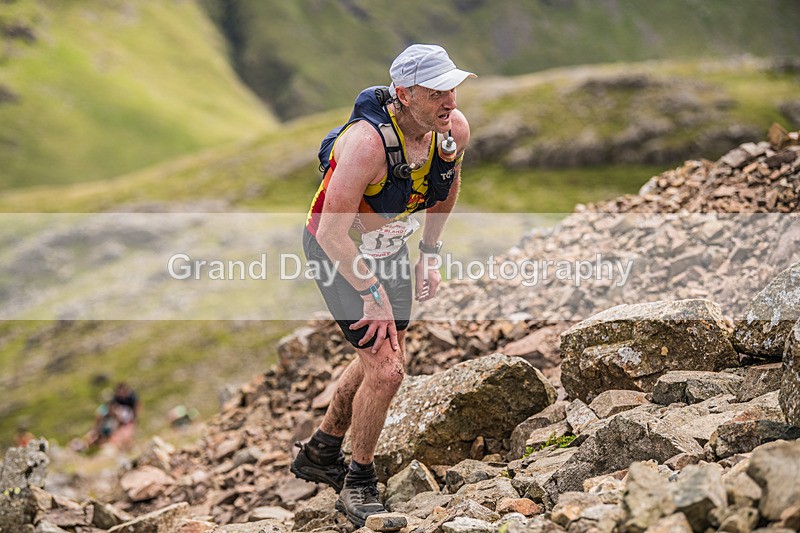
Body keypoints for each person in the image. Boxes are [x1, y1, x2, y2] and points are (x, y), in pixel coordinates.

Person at [291, 44, 474, 527]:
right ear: (403, 93)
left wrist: (429, 256)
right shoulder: (366, 144)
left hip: (388, 246)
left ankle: (322, 450)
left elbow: (446, 189)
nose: (449, 99)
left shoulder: (452, 130)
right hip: (335, 250)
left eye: (452, 86)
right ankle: (359, 481)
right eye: (436, 90)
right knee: (389, 370)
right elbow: (331, 232)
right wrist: (371, 297)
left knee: (380, 350)